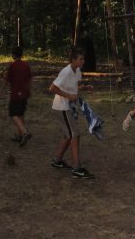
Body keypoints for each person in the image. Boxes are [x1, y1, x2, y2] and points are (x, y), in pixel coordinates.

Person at [49, 47, 94, 179]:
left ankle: (57, 160)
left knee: (68, 135)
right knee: (75, 134)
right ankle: (77, 168)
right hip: (61, 107)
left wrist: (84, 87)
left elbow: (74, 87)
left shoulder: (77, 70)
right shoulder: (66, 71)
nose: (83, 61)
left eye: (83, 58)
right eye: (81, 59)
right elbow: (52, 88)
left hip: (68, 106)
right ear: (73, 60)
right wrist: (68, 96)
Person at [0, 45, 32, 146]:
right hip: (24, 93)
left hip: (16, 94)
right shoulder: (26, 65)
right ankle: (20, 136)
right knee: (20, 114)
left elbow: (6, 80)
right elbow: (30, 79)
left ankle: (25, 132)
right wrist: (29, 91)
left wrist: (0, 92)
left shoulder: (13, 66)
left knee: (13, 114)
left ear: (13, 55)